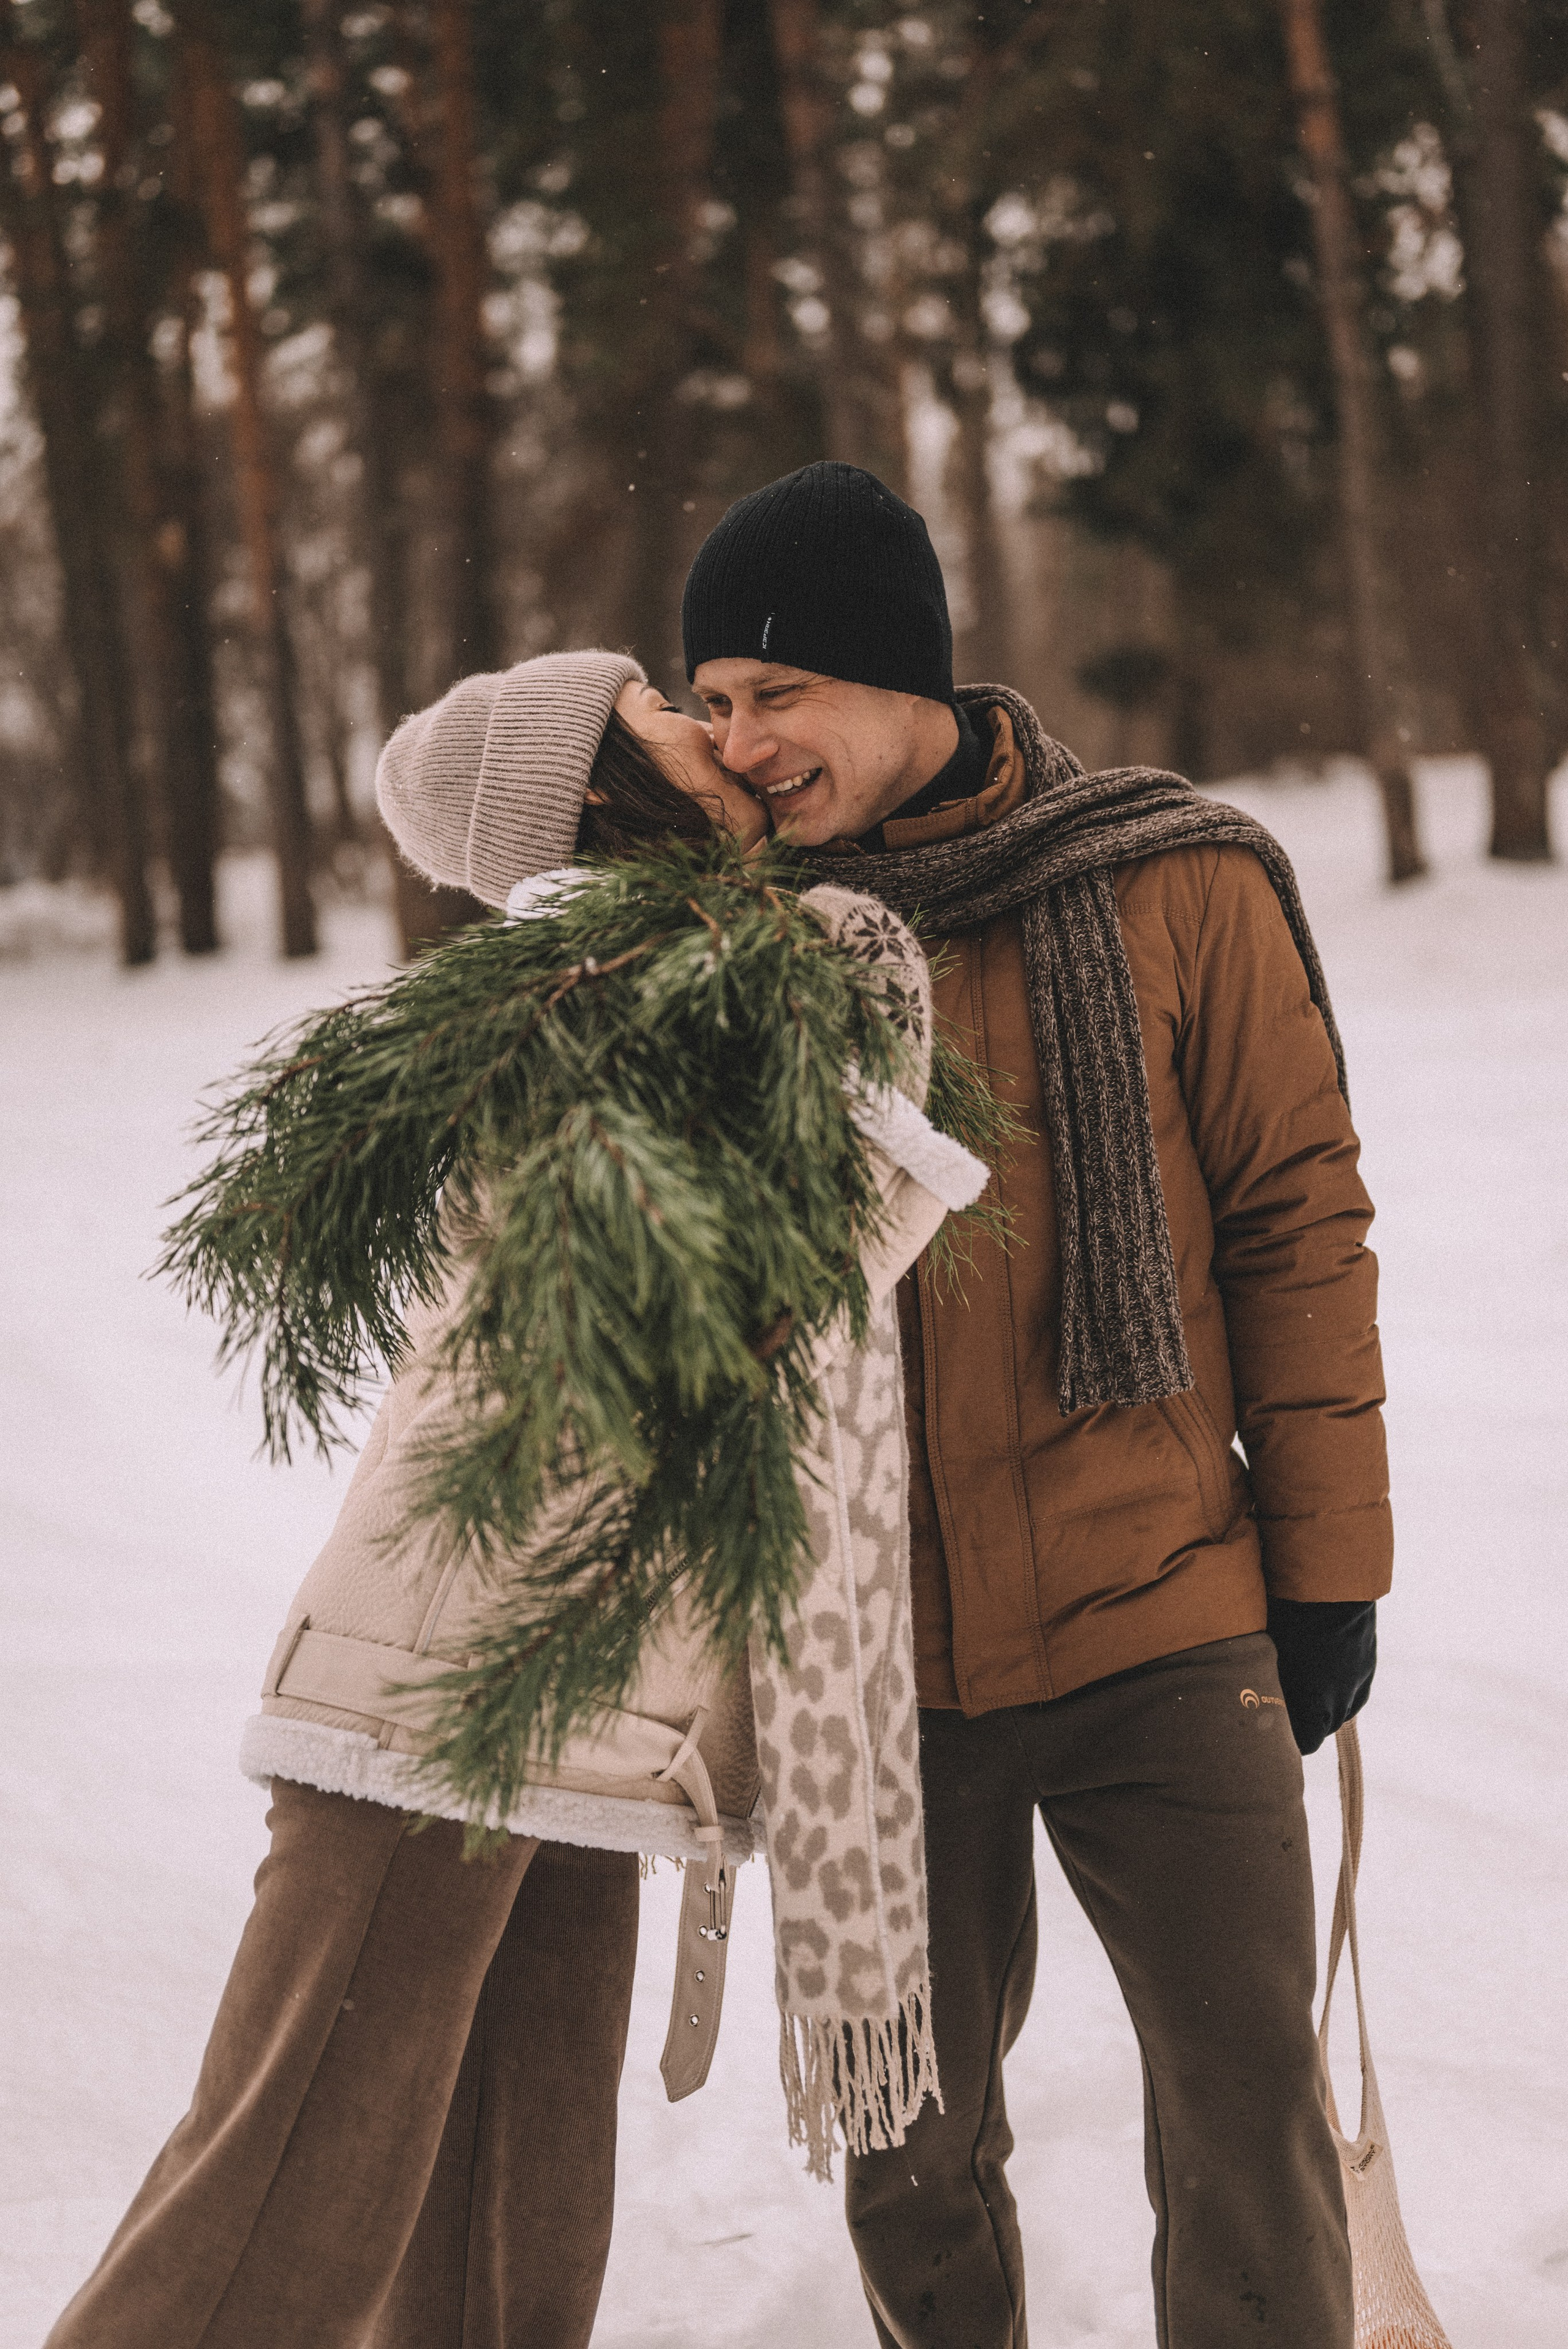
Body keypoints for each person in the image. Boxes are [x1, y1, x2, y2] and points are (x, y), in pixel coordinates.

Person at [45, 649, 985, 2349]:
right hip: (447, 1685)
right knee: (266, 2229)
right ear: (584, 792)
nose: (709, 727)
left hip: (589, 1696)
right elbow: (742, 1289)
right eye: (656, 711)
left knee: (510, 2245)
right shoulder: (593, 996)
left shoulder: (678, 970)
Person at [683, 460, 1389, 2348]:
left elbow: (1297, 1224)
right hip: (873, 1662)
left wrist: (1327, 1572)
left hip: (1166, 1607)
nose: (737, 742)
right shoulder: (727, 947)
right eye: (712, 703)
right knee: (908, 2146)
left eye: (775, 693)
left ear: (902, 678)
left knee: (1246, 2120)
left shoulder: (1181, 879)